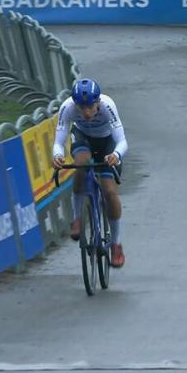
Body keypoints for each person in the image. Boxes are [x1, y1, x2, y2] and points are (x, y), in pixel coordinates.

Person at [52, 78, 129, 268]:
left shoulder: (108, 106)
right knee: (81, 162)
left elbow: (122, 141)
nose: (86, 112)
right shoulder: (67, 107)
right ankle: (77, 218)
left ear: (98, 103)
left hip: (107, 144)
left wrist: (116, 155)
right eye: (81, 107)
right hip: (83, 138)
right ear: (75, 104)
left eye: (90, 107)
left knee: (110, 192)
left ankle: (116, 244)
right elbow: (58, 142)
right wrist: (58, 156)